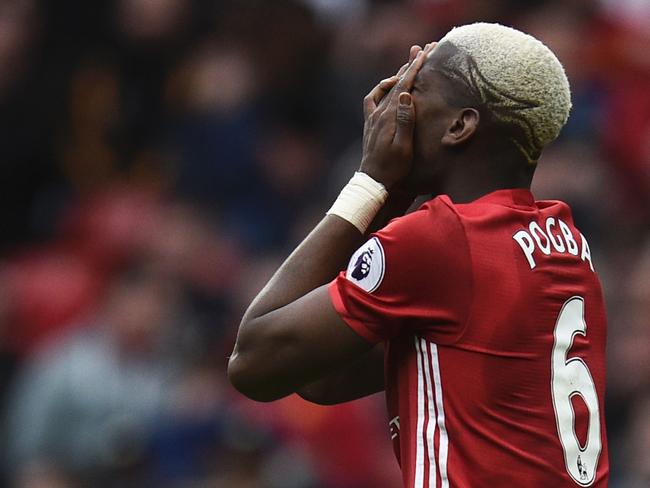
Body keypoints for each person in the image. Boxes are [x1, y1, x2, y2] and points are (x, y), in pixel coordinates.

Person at [228, 23, 609, 487]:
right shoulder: (566, 244)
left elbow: (254, 363)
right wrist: (391, 200)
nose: (393, 106)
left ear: (459, 125)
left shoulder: (443, 239)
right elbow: (317, 374)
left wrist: (371, 182)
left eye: (415, 89)